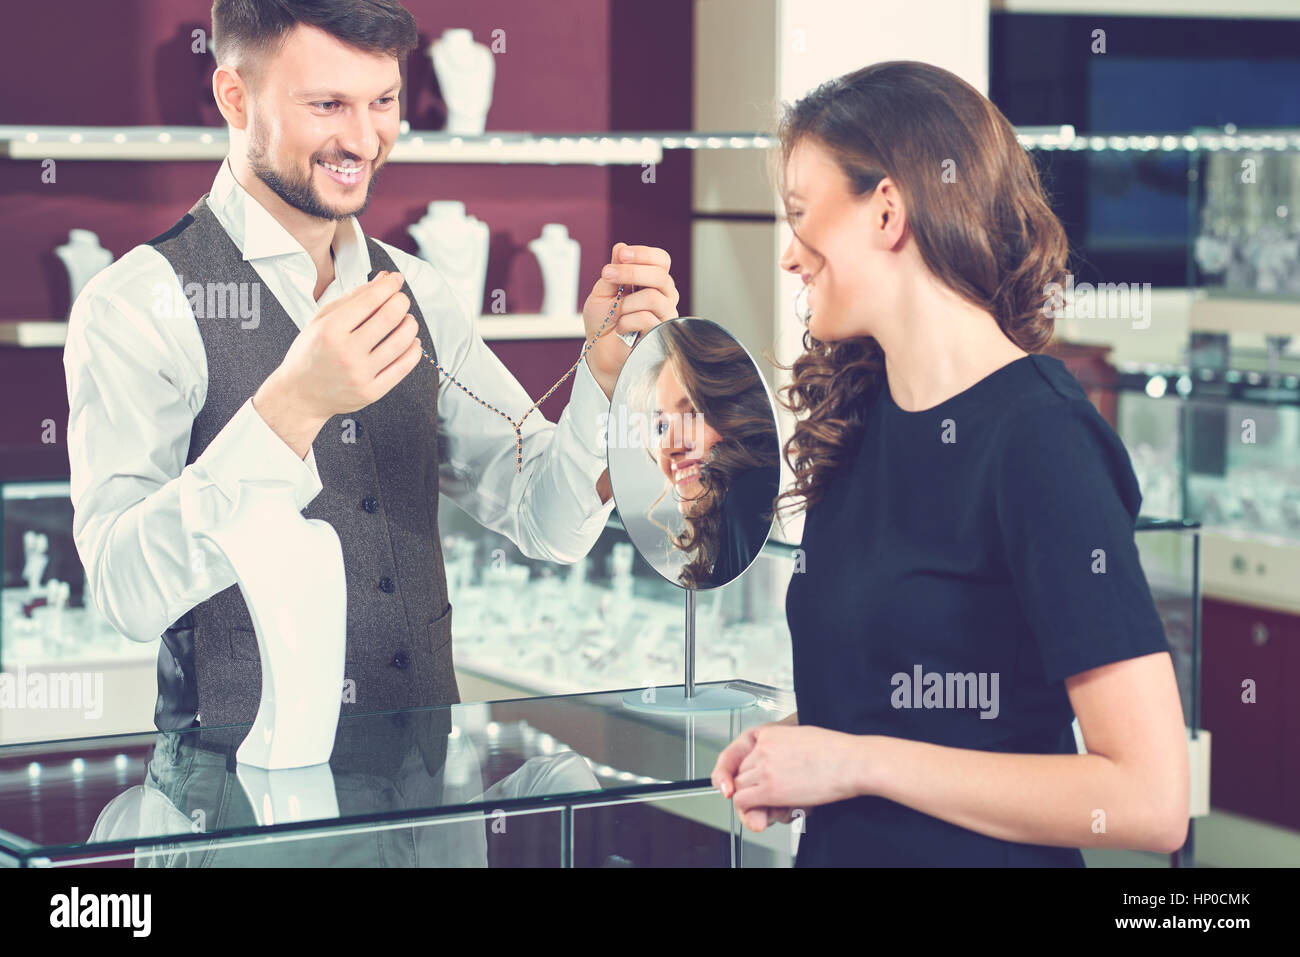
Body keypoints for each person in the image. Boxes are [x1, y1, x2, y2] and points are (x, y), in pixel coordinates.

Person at [64, 0, 679, 731]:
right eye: (328, 105)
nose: (364, 138)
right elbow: (127, 594)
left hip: (427, 805)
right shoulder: (135, 304)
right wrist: (288, 410)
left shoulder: (423, 291)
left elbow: (550, 524)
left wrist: (603, 380)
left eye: (383, 101)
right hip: (231, 810)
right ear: (235, 97)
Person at [711, 60, 1189, 866]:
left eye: (801, 215)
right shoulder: (862, 415)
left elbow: (1150, 800)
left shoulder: (1040, 438)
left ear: (888, 209)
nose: (791, 256)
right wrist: (803, 748)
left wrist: (856, 761)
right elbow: (924, 711)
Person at [639, 320, 779, 588]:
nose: (668, 446)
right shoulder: (729, 525)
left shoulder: (750, 496)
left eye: (692, 413)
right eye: (661, 426)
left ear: (740, 410)